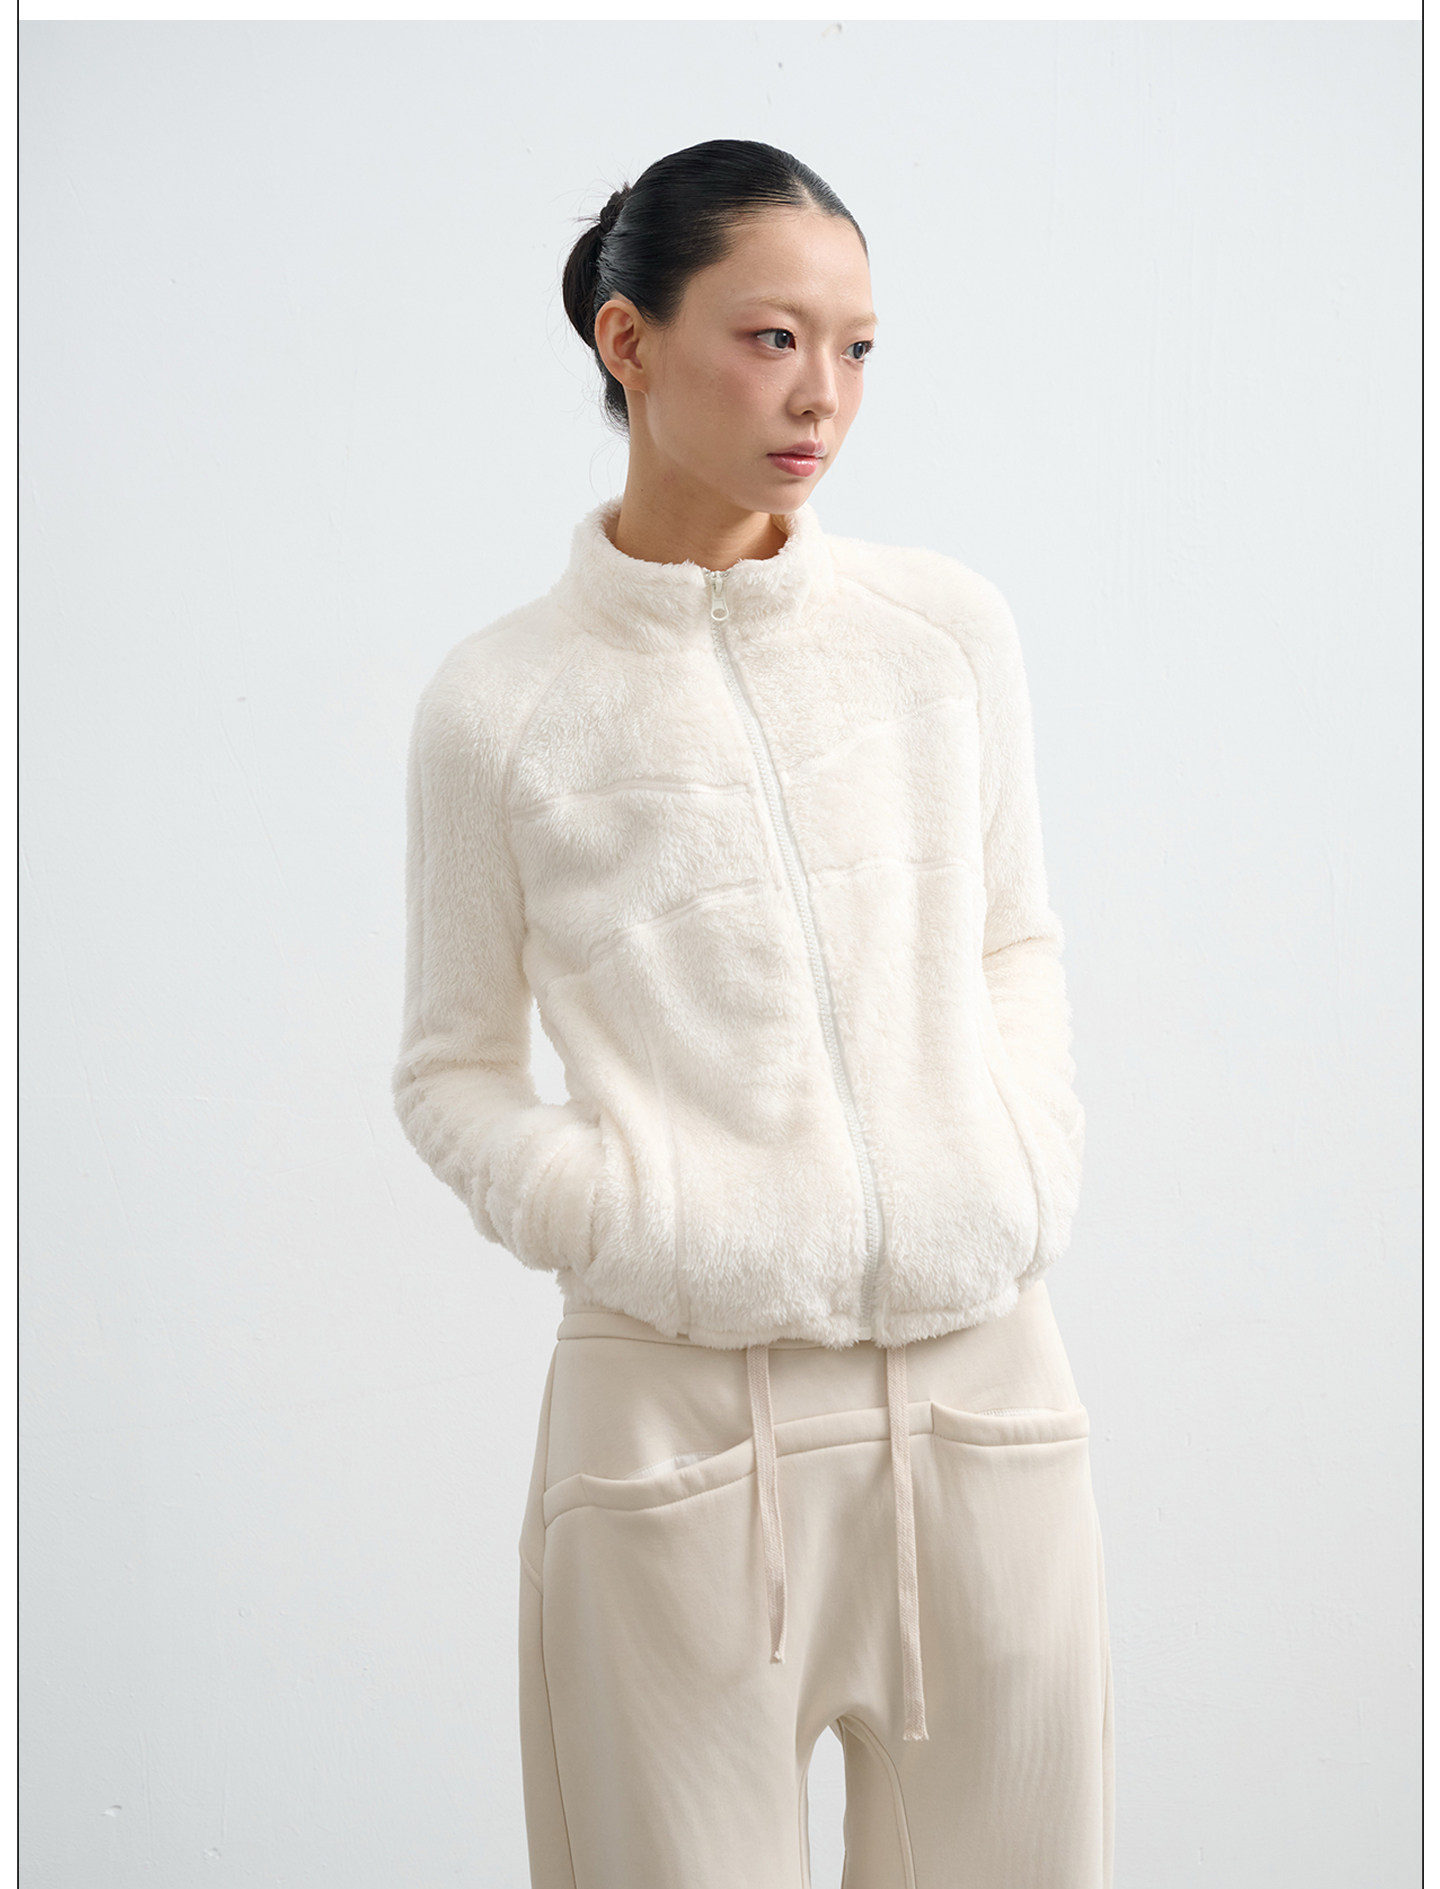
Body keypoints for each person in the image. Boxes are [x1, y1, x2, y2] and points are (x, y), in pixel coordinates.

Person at [392, 137, 1114, 1889]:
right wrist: (631, 1217)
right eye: (773, 337)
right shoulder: (502, 705)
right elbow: (451, 1067)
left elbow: (1016, 940)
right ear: (627, 339)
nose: (823, 394)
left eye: (857, 346)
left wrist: (1017, 1166)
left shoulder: (943, 635)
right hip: (678, 1419)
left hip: (986, 1390)